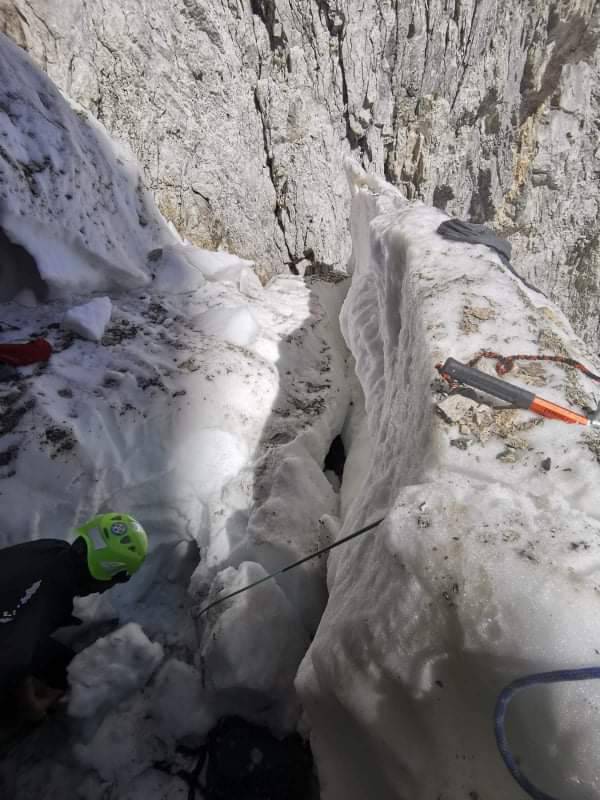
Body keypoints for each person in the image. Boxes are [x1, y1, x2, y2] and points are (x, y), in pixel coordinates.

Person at [0, 513, 148, 724]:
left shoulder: (54, 551)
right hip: (9, 646)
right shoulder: (46, 597)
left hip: (11, 629)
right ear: (106, 572)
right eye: (118, 578)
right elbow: (12, 661)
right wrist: (30, 707)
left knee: (67, 669)